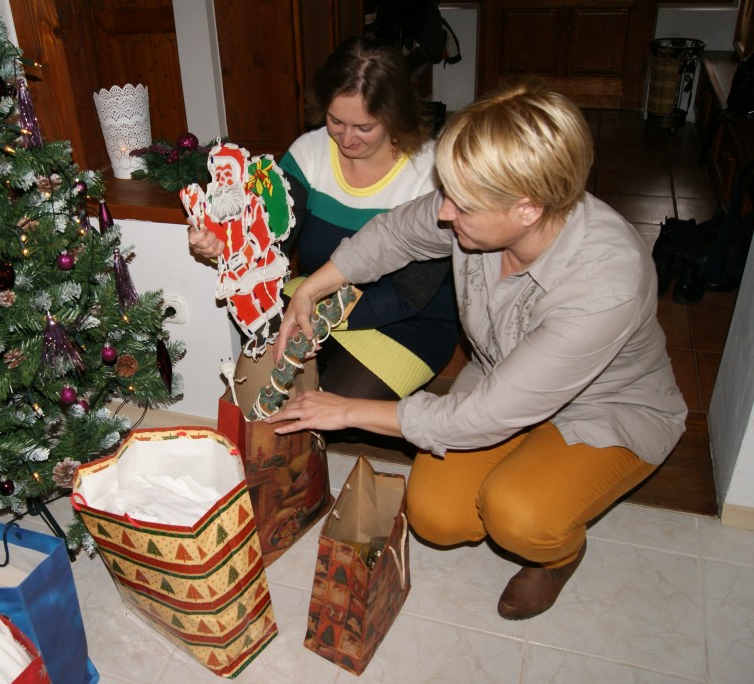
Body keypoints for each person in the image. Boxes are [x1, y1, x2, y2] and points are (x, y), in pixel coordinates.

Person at [266, 79, 688, 620]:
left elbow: (482, 416)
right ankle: (530, 471)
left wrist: (345, 409)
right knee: (436, 516)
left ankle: (559, 555)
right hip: (501, 382)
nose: (444, 214)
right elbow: (394, 234)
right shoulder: (487, 205)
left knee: (517, 516)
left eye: (461, 206)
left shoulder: (607, 284)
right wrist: (312, 288)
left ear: (528, 209)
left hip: (604, 411)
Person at [189, 35, 459, 402]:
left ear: (395, 116)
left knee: (328, 406)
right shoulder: (310, 152)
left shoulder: (431, 172)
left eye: (365, 127)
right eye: (336, 121)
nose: (346, 139)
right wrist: (224, 243)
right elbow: (268, 239)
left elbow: (408, 296)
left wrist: (314, 319)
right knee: (258, 394)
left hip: (407, 321)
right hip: (316, 296)